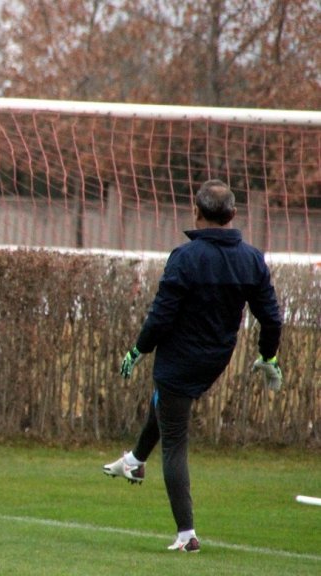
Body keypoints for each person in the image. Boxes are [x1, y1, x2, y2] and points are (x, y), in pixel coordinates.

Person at [102, 179, 283, 552]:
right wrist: (268, 356)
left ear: (196, 212)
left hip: (179, 358)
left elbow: (161, 317)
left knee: (175, 441)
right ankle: (135, 460)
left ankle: (186, 534)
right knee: (167, 404)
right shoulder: (252, 258)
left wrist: (137, 350)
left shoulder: (185, 257)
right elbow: (272, 319)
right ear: (232, 215)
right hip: (216, 358)